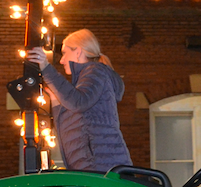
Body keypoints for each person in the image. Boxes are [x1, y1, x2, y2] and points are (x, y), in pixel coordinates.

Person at [26, 29, 131, 171]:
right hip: (99, 168)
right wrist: (56, 100)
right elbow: (76, 120)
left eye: (64, 53)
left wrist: (46, 68)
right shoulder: (86, 80)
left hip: (100, 168)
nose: (62, 60)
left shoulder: (95, 71)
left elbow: (78, 102)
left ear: (78, 52)